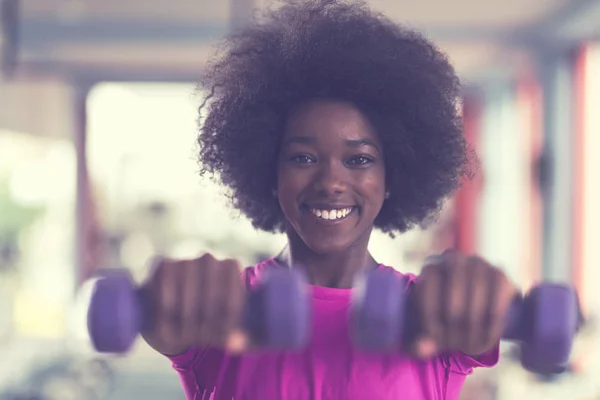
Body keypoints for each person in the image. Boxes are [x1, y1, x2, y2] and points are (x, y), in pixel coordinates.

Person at [140, 0, 519, 398]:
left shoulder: (431, 314)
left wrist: (487, 295)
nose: (331, 182)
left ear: (391, 178)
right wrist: (161, 294)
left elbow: (487, 324)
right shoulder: (221, 311)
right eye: (303, 157)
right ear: (271, 173)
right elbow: (157, 322)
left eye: (359, 159)